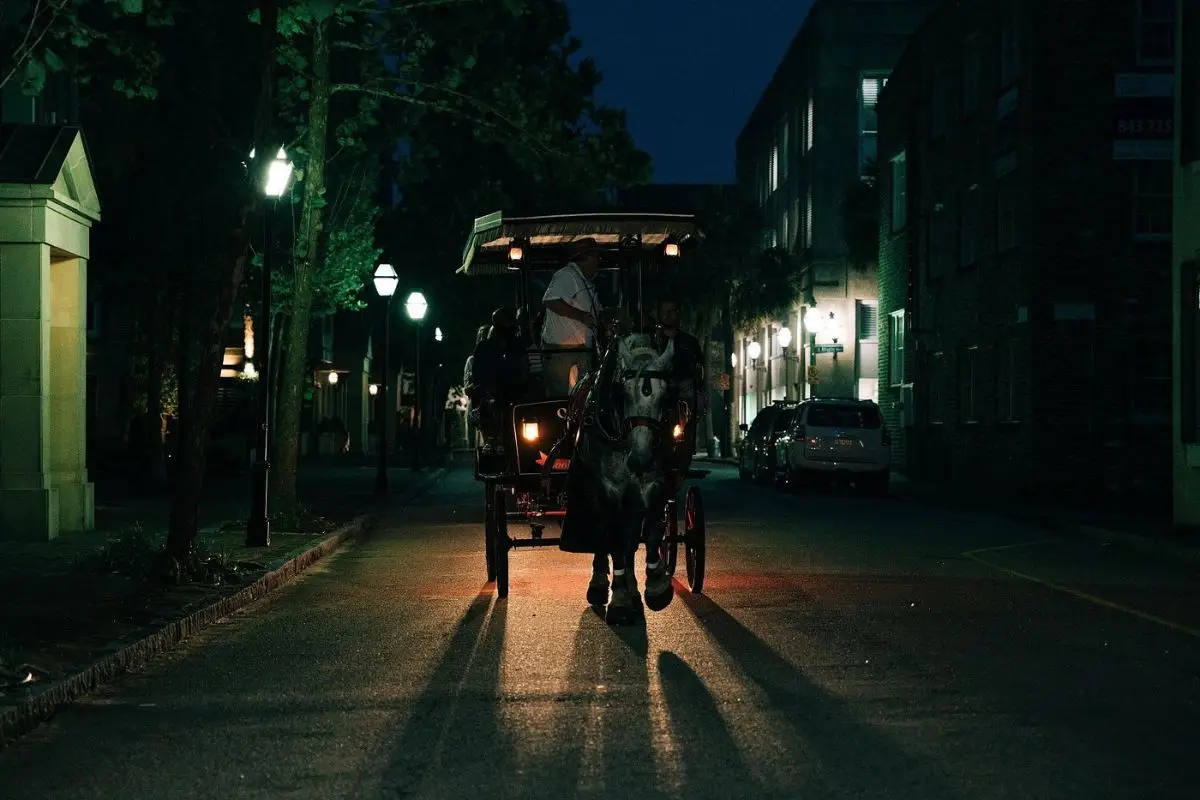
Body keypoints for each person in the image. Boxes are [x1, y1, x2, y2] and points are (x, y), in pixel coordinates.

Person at [541, 237, 602, 395]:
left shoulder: (583, 281)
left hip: (580, 351)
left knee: (581, 398)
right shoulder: (567, 275)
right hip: (562, 352)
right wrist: (581, 316)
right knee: (561, 398)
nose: (598, 262)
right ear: (586, 258)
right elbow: (551, 301)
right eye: (595, 257)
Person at [656, 297, 706, 481]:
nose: (669, 315)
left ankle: (682, 464)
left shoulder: (690, 342)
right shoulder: (653, 341)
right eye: (665, 311)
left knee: (686, 431)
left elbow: (699, 370)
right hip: (660, 394)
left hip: (684, 396)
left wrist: (700, 393)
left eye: (673, 311)